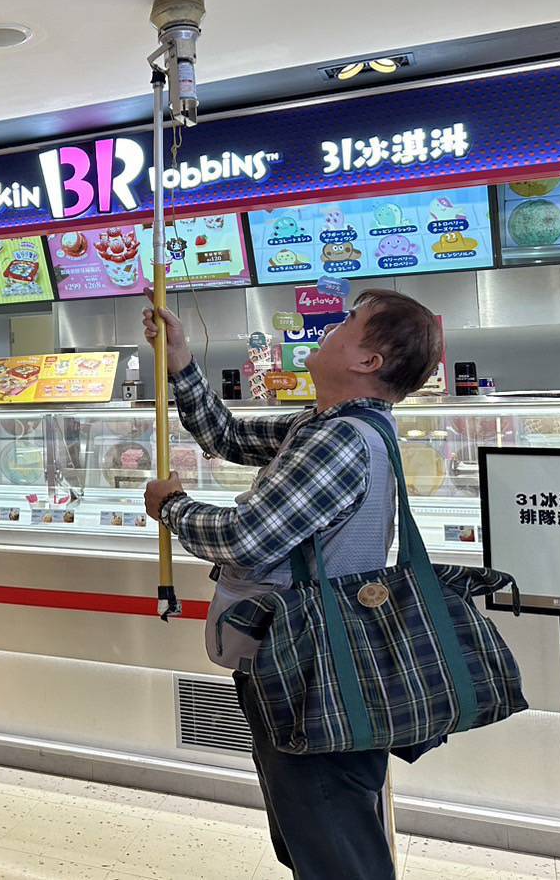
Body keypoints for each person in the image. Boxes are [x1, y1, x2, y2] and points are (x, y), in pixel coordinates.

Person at [142, 290, 442, 880]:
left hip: (313, 670)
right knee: (317, 837)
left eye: (349, 323)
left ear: (369, 361)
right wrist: (180, 361)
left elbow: (246, 538)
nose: (331, 328)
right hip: (318, 660)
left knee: (333, 846)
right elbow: (228, 438)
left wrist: (171, 506)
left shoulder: (341, 439)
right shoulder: (326, 425)